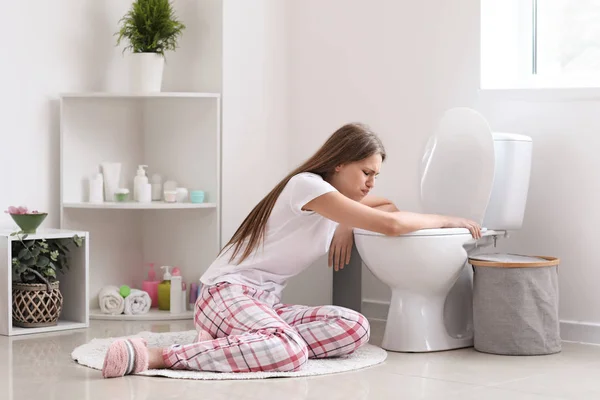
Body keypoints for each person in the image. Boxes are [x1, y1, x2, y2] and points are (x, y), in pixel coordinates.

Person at [101, 123, 482, 378]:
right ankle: (157, 356)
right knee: (289, 350)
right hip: (225, 293)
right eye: (366, 172)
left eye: (375, 175)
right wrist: (451, 219)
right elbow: (392, 223)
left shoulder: (336, 203)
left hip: (266, 303)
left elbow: (386, 206)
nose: (370, 182)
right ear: (339, 163)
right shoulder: (305, 186)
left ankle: (231, 344)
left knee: (355, 327)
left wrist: (349, 222)